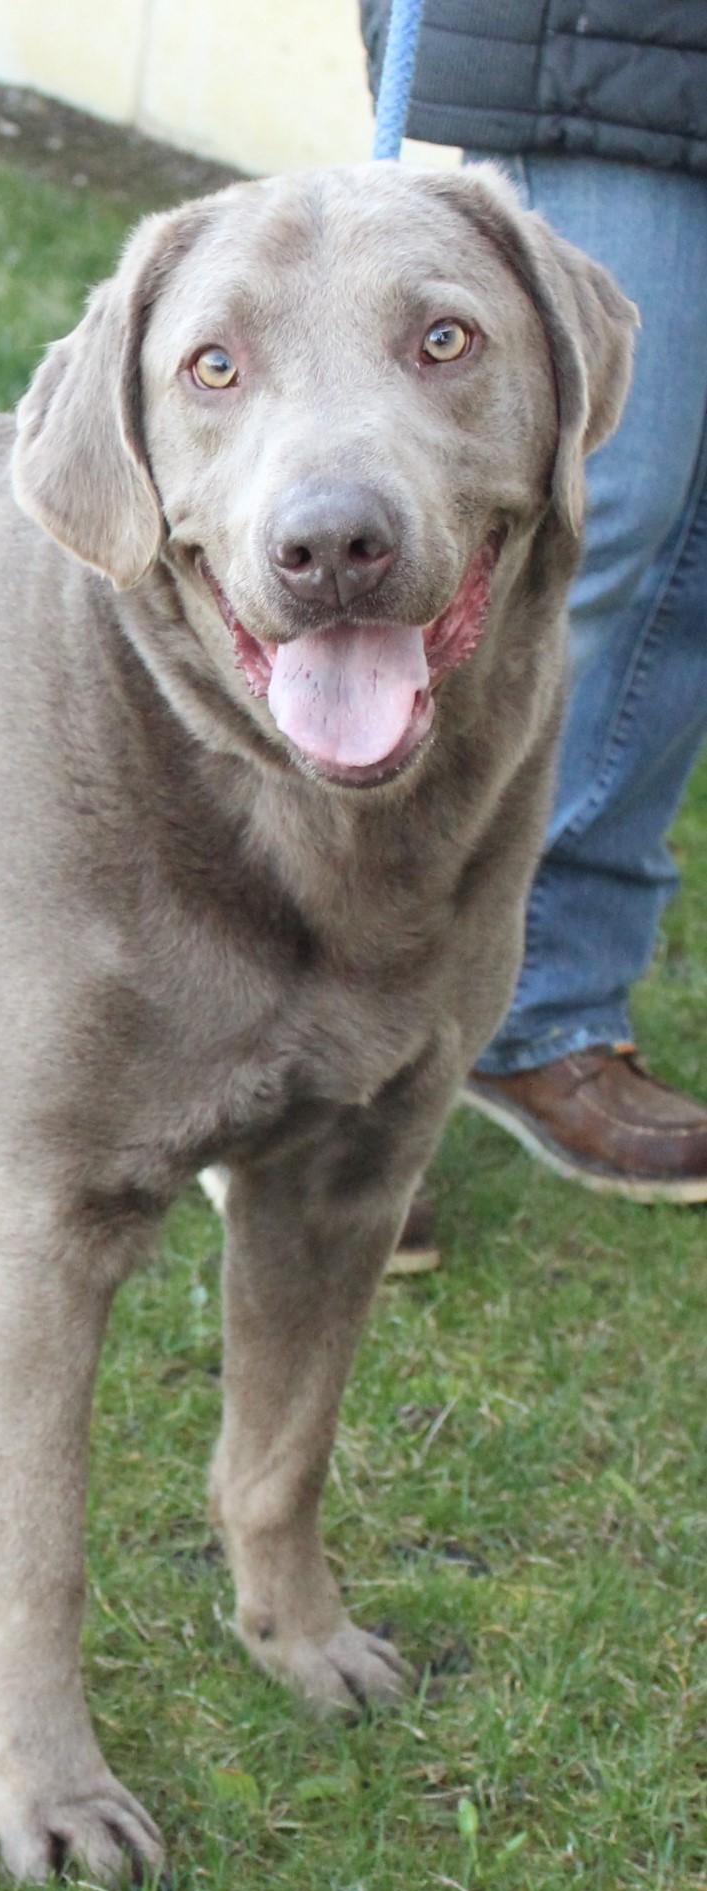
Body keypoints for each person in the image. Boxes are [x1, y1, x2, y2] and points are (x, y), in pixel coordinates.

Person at [361, 2, 707, 1243]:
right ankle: (320, 1060)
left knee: (692, 553)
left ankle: (543, 1004)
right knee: (585, 511)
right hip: (615, 39)